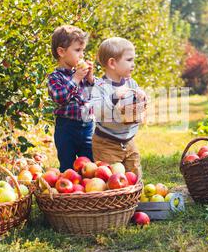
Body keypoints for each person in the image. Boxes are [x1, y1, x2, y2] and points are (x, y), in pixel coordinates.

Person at [90, 37, 146, 175]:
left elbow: (137, 103)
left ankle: (135, 196)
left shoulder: (131, 83)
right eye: (129, 60)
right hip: (106, 143)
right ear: (112, 63)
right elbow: (98, 111)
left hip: (129, 141)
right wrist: (114, 97)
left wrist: (142, 97)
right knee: (110, 178)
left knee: (135, 175)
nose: (133, 64)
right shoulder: (100, 86)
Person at [47, 25, 95, 171]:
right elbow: (59, 97)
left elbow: (94, 95)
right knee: (67, 167)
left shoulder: (81, 74)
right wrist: (75, 79)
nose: (81, 55)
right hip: (66, 128)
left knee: (89, 166)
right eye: (77, 50)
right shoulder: (55, 77)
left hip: (87, 126)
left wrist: (90, 78)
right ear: (61, 52)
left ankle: (89, 192)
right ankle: (69, 193)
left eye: (83, 51)